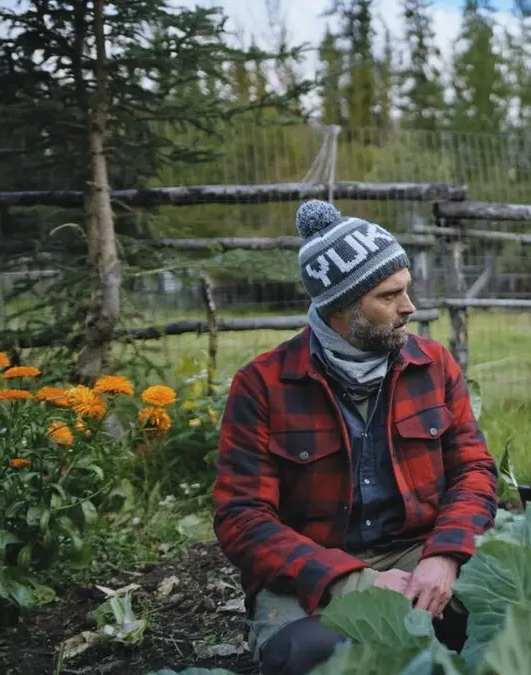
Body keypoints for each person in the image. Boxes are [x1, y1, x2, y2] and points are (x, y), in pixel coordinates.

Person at [212, 199, 498, 675]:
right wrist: (357, 583)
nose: (410, 307)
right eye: (389, 296)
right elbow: (243, 519)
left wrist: (445, 556)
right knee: (308, 654)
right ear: (341, 308)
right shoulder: (263, 385)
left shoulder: (433, 365)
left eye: (407, 289)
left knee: (510, 609)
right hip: (315, 567)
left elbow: (473, 470)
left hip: (418, 548)